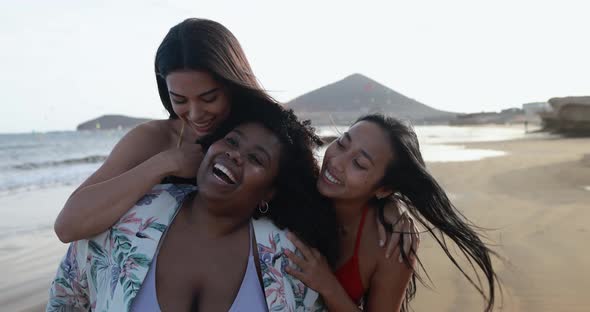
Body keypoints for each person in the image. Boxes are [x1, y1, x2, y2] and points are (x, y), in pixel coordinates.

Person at [54, 18, 399, 251]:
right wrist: (166, 162)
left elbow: (320, 196)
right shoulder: (155, 139)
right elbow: (68, 225)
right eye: (179, 100)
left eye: (209, 98)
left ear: (233, 83)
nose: (195, 113)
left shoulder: (268, 134)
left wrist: (386, 209)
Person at [47, 106, 339, 311]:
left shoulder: (289, 258)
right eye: (232, 141)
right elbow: (66, 299)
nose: (235, 155)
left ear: (269, 192)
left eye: (257, 159)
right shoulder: (128, 216)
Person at [285, 114, 498, 311]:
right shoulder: (300, 187)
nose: (336, 162)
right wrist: (393, 206)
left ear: (384, 189)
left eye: (359, 164)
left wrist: (328, 285)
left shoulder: (392, 245)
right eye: (341, 143)